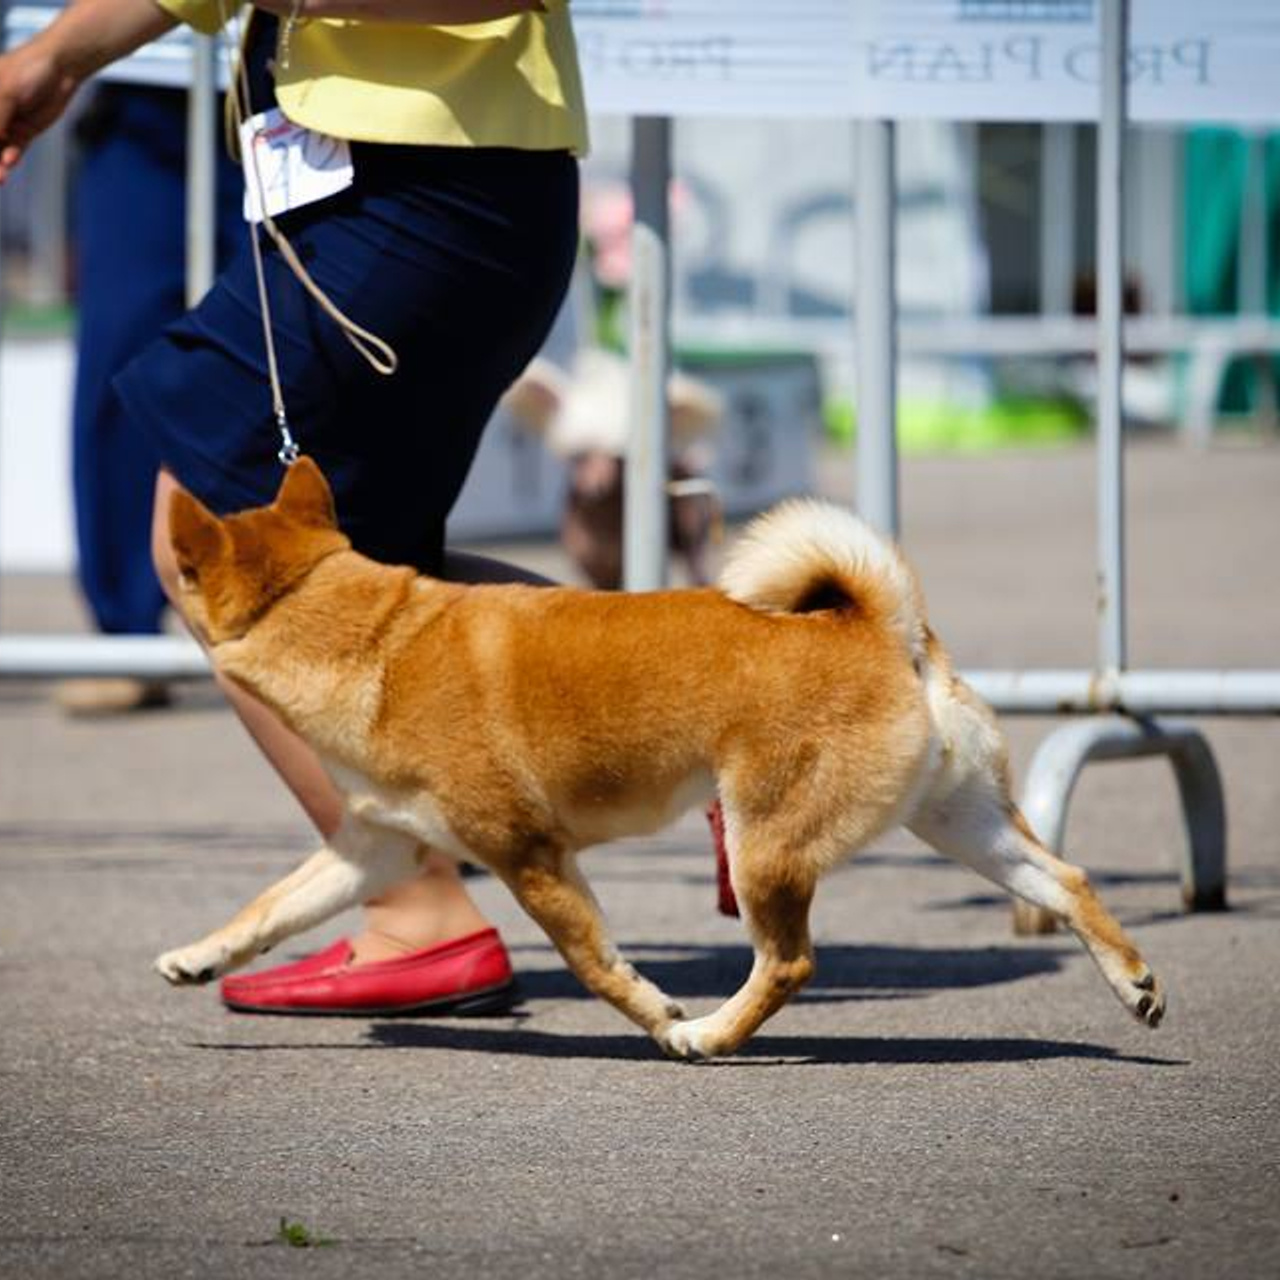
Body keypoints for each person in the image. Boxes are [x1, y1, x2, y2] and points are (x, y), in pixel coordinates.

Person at [0, 0, 587, 1015]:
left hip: (425, 193)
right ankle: (717, 691)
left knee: (220, 537)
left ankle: (416, 916)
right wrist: (56, 57)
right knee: (366, 565)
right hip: (386, 189)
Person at [58, 81, 243, 717]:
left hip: (302, 83)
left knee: (305, 350)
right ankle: (126, 633)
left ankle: (327, 614)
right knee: (123, 363)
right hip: (140, 92)